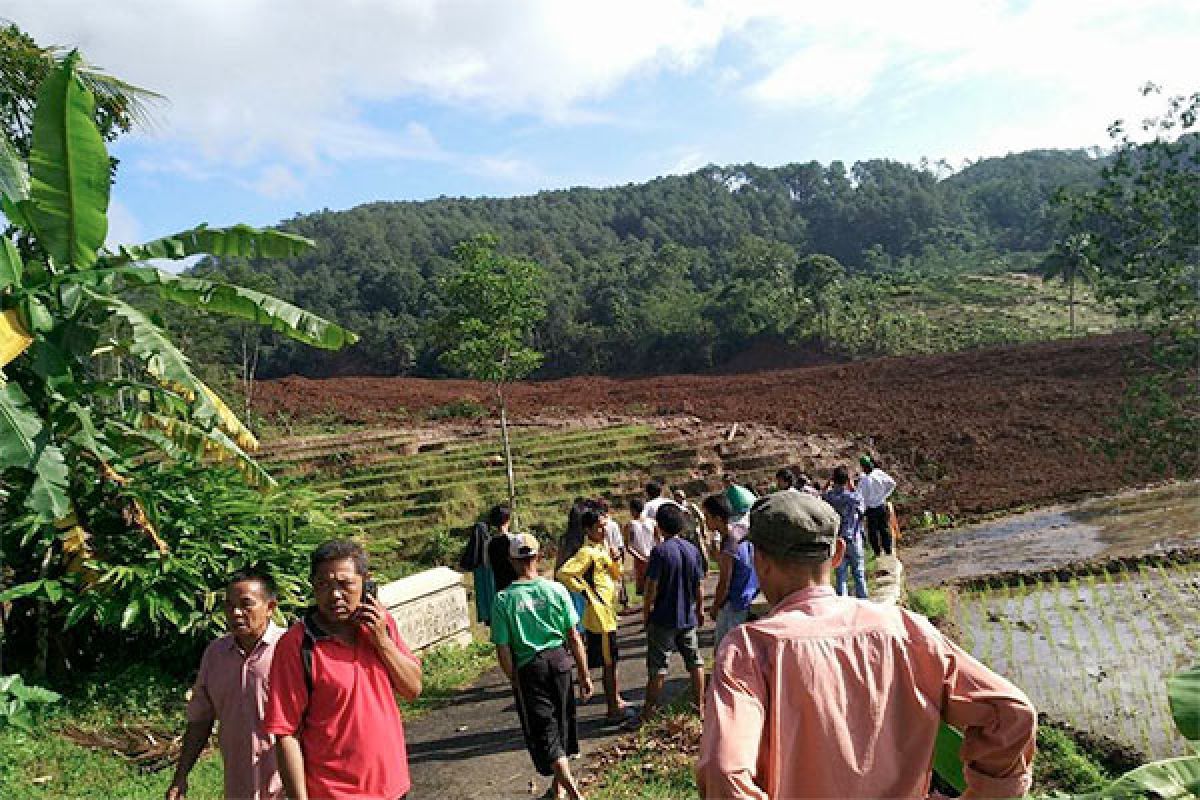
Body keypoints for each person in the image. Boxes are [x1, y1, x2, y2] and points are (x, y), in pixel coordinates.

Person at [697, 490, 1037, 799]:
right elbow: (1012, 715)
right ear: (838, 555)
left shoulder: (750, 650)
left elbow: (725, 772)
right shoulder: (904, 629)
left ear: (760, 560)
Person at [264, 540, 422, 800]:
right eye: (324, 585)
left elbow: (413, 689)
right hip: (333, 793)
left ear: (365, 583)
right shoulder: (296, 645)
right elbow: (285, 733)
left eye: (345, 584)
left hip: (392, 788)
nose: (334, 595)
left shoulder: (380, 624)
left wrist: (381, 641)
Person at [492, 533, 595, 800]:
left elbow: (503, 649)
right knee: (561, 725)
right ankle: (557, 791)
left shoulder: (504, 600)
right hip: (560, 662)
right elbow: (574, 636)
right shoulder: (556, 590)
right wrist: (584, 675)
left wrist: (513, 678)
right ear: (538, 557)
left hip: (530, 668)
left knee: (545, 731)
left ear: (512, 561)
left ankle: (573, 793)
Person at [167, 570, 285, 800]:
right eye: (229, 605)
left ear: (270, 607)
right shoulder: (216, 654)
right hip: (238, 785)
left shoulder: (290, 650)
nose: (236, 613)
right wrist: (180, 776)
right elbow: (201, 719)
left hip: (286, 787)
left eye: (246, 605)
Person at [630, 503, 706, 728]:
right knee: (695, 661)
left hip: (663, 617)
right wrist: (700, 609)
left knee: (658, 667)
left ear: (660, 527)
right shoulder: (692, 550)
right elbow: (699, 585)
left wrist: (646, 614)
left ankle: (649, 712)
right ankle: (699, 705)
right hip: (687, 616)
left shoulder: (660, 552)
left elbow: (651, 587)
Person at [556, 508, 633, 723]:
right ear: (588, 529)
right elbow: (564, 573)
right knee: (609, 663)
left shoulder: (601, 549)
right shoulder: (586, 552)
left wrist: (614, 559)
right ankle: (612, 709)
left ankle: (615, 700)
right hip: (599, 616)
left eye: (604, 526)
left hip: (607, 612)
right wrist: (585, 593)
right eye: (598, 527)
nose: (603, 530)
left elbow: (615, 575)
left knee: (613, 662)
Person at [701, 494, 759, 651]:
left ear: (718, 518)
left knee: (724, 652)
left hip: (735, 604)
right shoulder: (741, 532)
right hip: (749, 596)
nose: (705, 521)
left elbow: (724, 583)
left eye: (707, 517)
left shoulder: (729, 546)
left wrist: (714, 607)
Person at [822, 465, 868, 599]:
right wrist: (852, 486)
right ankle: (863, 602)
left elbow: (820, 496)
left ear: (833, 480)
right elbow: (862, 508)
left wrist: (827, 485)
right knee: (858, 573)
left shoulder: (828, 497)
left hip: (837, 539)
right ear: (847, 480)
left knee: (840, 575)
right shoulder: (853, 498)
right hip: (853, 538)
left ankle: (842, 603)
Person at [858, 454, 898, 557]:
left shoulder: (864, 480)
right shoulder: (879, 473)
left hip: (871, 509)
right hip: (881, 505)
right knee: (884, 529)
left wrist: (862, 509)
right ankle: (888, 550)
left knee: (873, 532)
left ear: (863, 467)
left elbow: (860, 496)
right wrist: (885, 495)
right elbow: (892, 483)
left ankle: (877, 552)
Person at [593, 497, 628, 610]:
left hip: (602, 556)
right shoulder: (613, 524)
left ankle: (610, 609)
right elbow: (620, 544)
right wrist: (621, 557)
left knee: (605, 585)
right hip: (614, 556)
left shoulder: (596, 525)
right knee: (618, 581)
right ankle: (624, 604)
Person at [624, 497, 657, 597]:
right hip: (653, 556)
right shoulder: (652, 522)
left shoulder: (630, 525)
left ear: (632, 510)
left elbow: (628, 546)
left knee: (645, 588)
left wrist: (641, 558)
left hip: (640, 559)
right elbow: (659, 540)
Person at [674, 488, 711, 567]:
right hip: (683, 534)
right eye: (676, 496)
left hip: (694, 532)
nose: (678, 498)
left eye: (679, 496)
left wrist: (703, 530)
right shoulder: (675, 508)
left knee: (701, 550)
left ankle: (706, 568)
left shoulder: (691, 506)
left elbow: (701, 518)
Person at [486, 504, 518, 593]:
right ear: (508, 520)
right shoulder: (514, 540)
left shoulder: (490, 544)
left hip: (501, 588)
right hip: (516, 587)